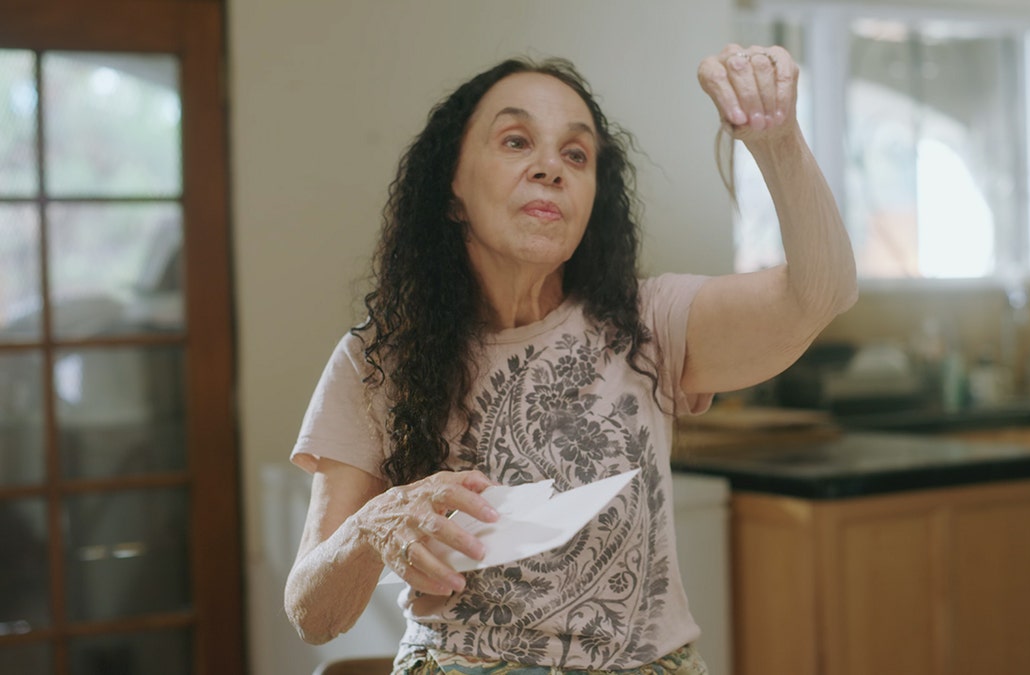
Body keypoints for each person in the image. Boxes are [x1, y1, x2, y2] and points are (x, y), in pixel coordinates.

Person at [284, 44, 857, 674]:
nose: (550, 167)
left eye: (576, 154)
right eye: (515, 141)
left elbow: (822, 293)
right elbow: (315, 616)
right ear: (451, 187)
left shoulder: (651, 323)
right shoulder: (378, 359)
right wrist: (373, 525)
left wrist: (776, 142)